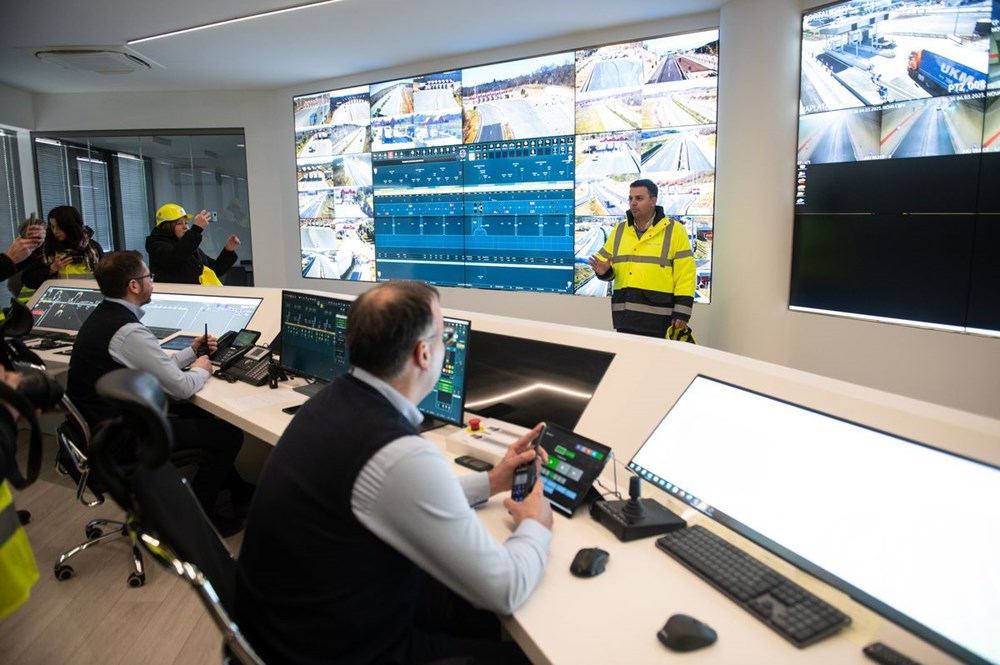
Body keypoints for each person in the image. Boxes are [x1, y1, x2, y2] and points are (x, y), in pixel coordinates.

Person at [236, 280, 553, 665]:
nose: (446, 345)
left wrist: (493, 481)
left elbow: (401, 495)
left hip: (288, 626)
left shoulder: (333, 401)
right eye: (445, 337)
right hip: (333, 652)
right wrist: (536, 524)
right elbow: (506, 589)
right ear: (424, 353)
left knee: (460, 603)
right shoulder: (397, 452)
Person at [65, 251, 250, 536]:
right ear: (134, 285)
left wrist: (191, 352)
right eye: (148, 276)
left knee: (197, 412)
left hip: (103, 429)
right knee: (229, 435)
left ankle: (238, 492)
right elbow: (181, 387)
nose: (152, 281)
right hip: (124, 437)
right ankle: (200, 518)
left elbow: (154, 369)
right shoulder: (127, 331)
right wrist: (203, 369)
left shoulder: (106, 317)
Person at [588, 178, 696, 338]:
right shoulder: (619, 230)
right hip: (625, 319)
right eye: (630, 198)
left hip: (660, 321)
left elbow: (685, 275)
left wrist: (682, 314)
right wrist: (604, 272)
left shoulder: (675, 231)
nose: (633, 203)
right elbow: (607, 269)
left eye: (639, 198)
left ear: (653, 201)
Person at [146, 203, 240, 285]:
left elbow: (215, 270)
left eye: (186, 223)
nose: (185, 227)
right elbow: (175, 257)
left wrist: (228, 251)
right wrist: (197, 229)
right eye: (179, 223)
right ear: (167, 227)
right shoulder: (156, 245)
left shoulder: (188, 246)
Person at [20, 206, 104, 291]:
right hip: (56, 297)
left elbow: (106, 278)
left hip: (89, 296)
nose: (55, 231)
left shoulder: (93, 248)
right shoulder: (47, 248)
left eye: (59, 227)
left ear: (70, 226)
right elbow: (27, 280)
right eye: (52, 226)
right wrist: (51, 269)